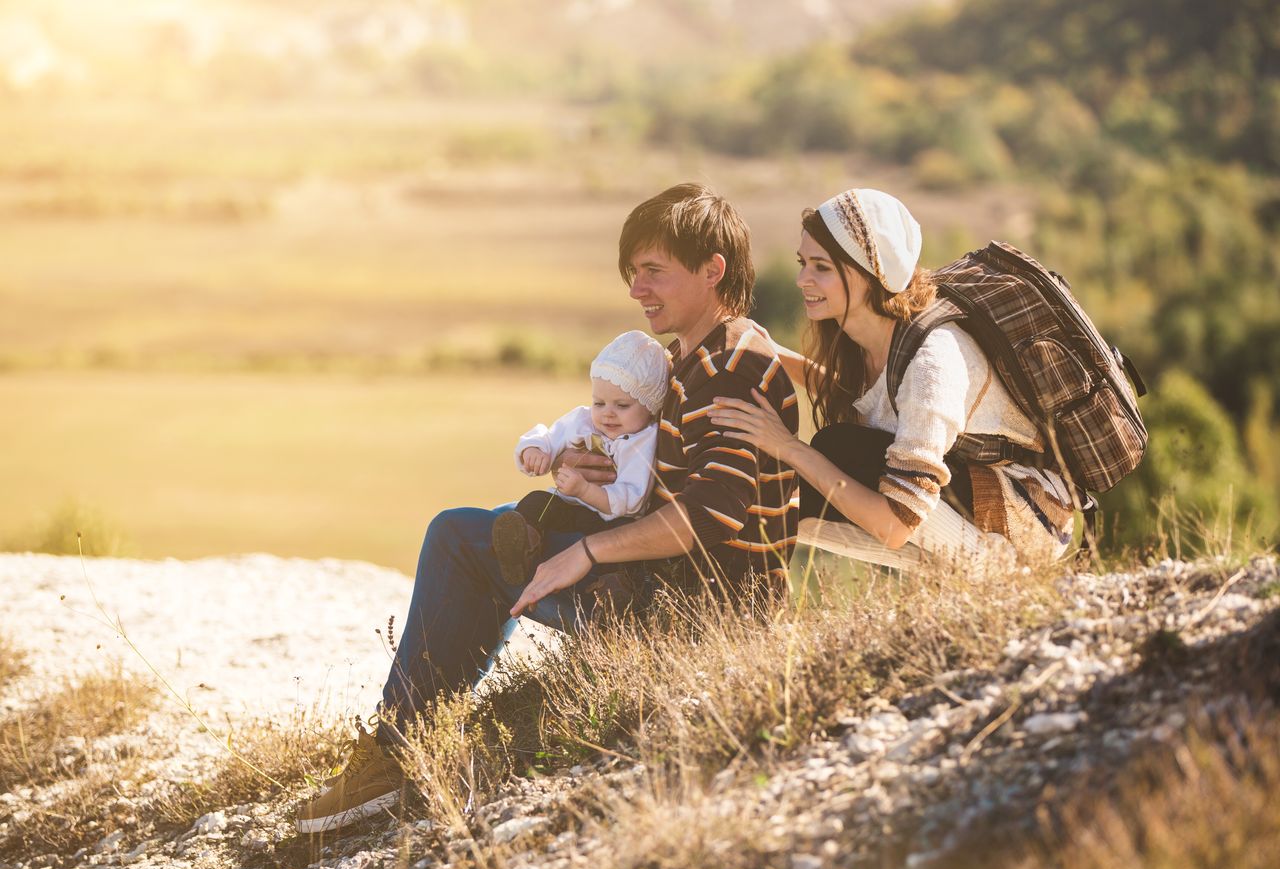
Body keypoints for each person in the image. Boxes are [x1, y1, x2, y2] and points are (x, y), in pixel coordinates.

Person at [295, 183, 800, 835]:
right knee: (506, 529)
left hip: (697, 621)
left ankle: (399, 761)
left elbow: (712, 515)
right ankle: (412, 742)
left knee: (458, 540)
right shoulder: (700, 358)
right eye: (632, 273)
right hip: (674, 589)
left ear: (713, 270)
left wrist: (586, 552)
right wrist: (584, 471)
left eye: (653, 272)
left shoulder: (730, 368)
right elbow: (664, 479)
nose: (637, 290)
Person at [709, 187, 1075, 571]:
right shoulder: (873, 338)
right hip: (981, 495)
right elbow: (869, 399)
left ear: (870, 273)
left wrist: (789, 447)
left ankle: (991, 570)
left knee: (836, 453)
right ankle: (952, 572)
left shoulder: (932, 364)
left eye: (821, 267)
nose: (802, 279)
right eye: (803, 262)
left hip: (1031, 517)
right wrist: (767, 351)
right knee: (798, 483)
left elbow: (896, 525)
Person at [492, 329, 669, 586]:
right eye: (599, 403)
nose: (607, 414)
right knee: (536, 502)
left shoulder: (644, 442)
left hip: (611, 522)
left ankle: (617, 586)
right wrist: (535, 451)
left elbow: (632, 501)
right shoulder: (583, 420)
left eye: (622, 406)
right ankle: (520, 551)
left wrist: (585, 490)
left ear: (650, 408)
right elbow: (549, 435)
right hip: (571, 508)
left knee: (621, 540)